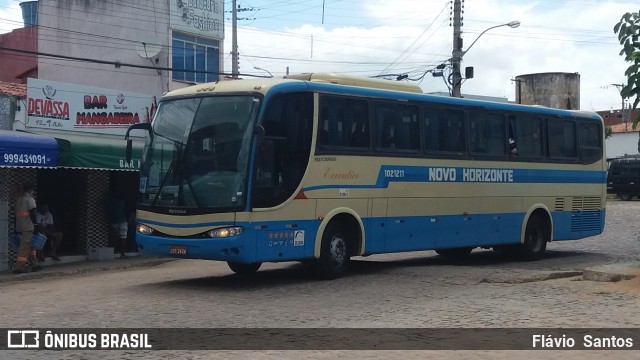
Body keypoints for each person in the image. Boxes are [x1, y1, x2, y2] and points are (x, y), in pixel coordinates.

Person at [13, 182, 42, 274]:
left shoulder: (18, 200)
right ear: (30, 189)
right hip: (28, 226)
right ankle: (19, 267)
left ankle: (34, 264)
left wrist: (15, 227)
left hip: (20, 226)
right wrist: (36, 225)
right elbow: (32, 213)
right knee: (24, 247)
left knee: (31, 245)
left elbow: (15, 215)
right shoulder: (29, 199)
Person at [108, 192, 129, 258]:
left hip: (113, 221)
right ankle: (122, 254)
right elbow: (124, 209)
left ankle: (113, 250)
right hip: (122, 221)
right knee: (123, 237)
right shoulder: (120, 201)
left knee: (115, 237)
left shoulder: (109, 202)